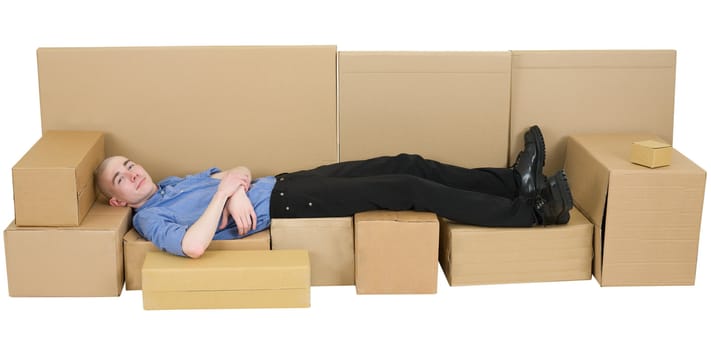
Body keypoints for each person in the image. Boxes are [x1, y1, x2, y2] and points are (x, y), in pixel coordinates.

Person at [95, 125, 573, 258]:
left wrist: (235, 186)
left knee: (405, 161)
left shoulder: (175, 184)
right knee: (406, 187)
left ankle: (514, 181)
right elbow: (194, 245)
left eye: (129, 165)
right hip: (289, 206)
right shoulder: (148, 219)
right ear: (118, 201)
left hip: (284, 182)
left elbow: (236, 168)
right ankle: (531, 212)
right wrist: (227, 195)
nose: (133, 173)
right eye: (121, 177)